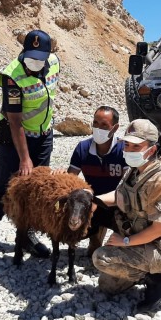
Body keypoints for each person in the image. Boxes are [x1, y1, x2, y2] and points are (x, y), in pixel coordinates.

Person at [0, 30, 60, 264]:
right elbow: (15, 121)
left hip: (43, 136)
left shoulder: (54, 63)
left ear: (48, 54)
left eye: (40, 58)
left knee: (36, 189)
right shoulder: (12, 76)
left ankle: (26, 236)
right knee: (3, 186)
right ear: (24, 52)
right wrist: (25, 159)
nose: (35, 63)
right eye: (30, 57)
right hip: (14, 138)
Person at [91, 119, 161, 312]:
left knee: (101, 258)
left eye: (136, 146)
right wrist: (92, 199)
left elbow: (160, 228)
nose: (129, 150)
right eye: (127, 144)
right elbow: (119, 196)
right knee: (106, 286)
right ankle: (147, 272)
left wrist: (125, 241)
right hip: (142, 239)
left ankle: (160, 278)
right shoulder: (135, 170)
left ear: (151, 149)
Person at [66, 106, 127, 256]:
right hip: (90, 203)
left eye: (104, 125)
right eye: (95, 123)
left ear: (115, 128)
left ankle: (119, 240)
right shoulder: (83, 148)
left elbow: (127, 186)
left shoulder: (124, 150)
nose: (98, 128)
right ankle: (94, 239)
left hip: (117, 202)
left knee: (125, 234)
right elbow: (70, 181)